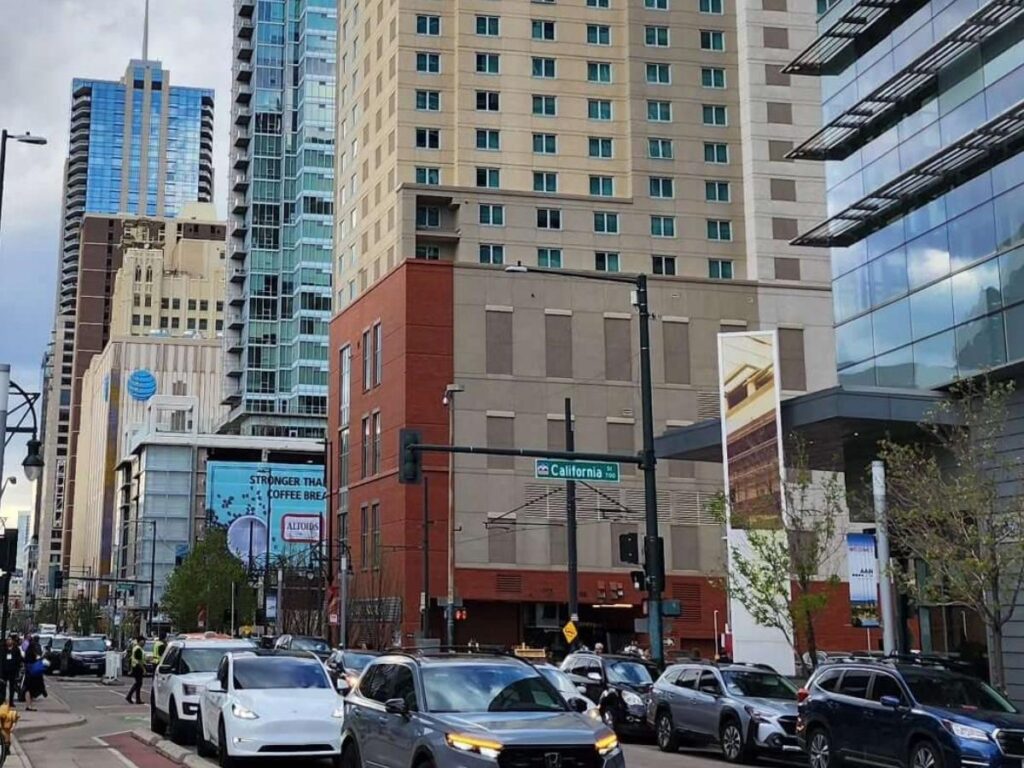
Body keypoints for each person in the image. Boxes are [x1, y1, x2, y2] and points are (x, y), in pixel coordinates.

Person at [22, 636, 46, 711]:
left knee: (27, 689)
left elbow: (25, 660)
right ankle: (29, 705)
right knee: (30, 689)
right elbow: (36, 660)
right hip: (32, 673)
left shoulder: (27, 652)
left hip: (28, 672)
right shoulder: (33, 653)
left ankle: (28, 705)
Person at [0, 637, 21, 707]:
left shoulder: (16, 649)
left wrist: (17, 668)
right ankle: (2, 700)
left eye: (10, 640)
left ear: (12, 641)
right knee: (3, 687)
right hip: (4, 671)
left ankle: (11, 701)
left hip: (13, 671)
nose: (9, 641)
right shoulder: (3, 649)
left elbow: (19, 659)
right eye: (7, 640)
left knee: (12, 687)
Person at [125, 636, 145, 705]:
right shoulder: (138, 649)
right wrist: (144, 669)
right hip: (137, 667)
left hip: (135, 667)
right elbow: (139, 661)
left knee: (138, 683)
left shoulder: (137, 648)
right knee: (138, 683)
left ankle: (136, 698)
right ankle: (130, 696)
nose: (144, 642)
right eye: (142, 641)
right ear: (139, 641)